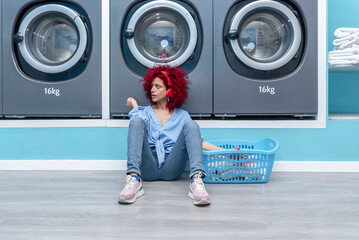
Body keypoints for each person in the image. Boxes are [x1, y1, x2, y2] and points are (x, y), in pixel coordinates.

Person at [118, 65, 222, 206]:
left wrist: (226, 152)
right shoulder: (145, 112)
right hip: (148, 166)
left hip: (172, 166)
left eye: (158, 86)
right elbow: (137, 128)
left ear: (170, 90)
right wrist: (135, 106)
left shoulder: (182, 115)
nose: (152, 90)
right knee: (136, 121)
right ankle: (133, 179)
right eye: (152, 86)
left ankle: (197, 181)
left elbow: (198, 142)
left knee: (192, 125)